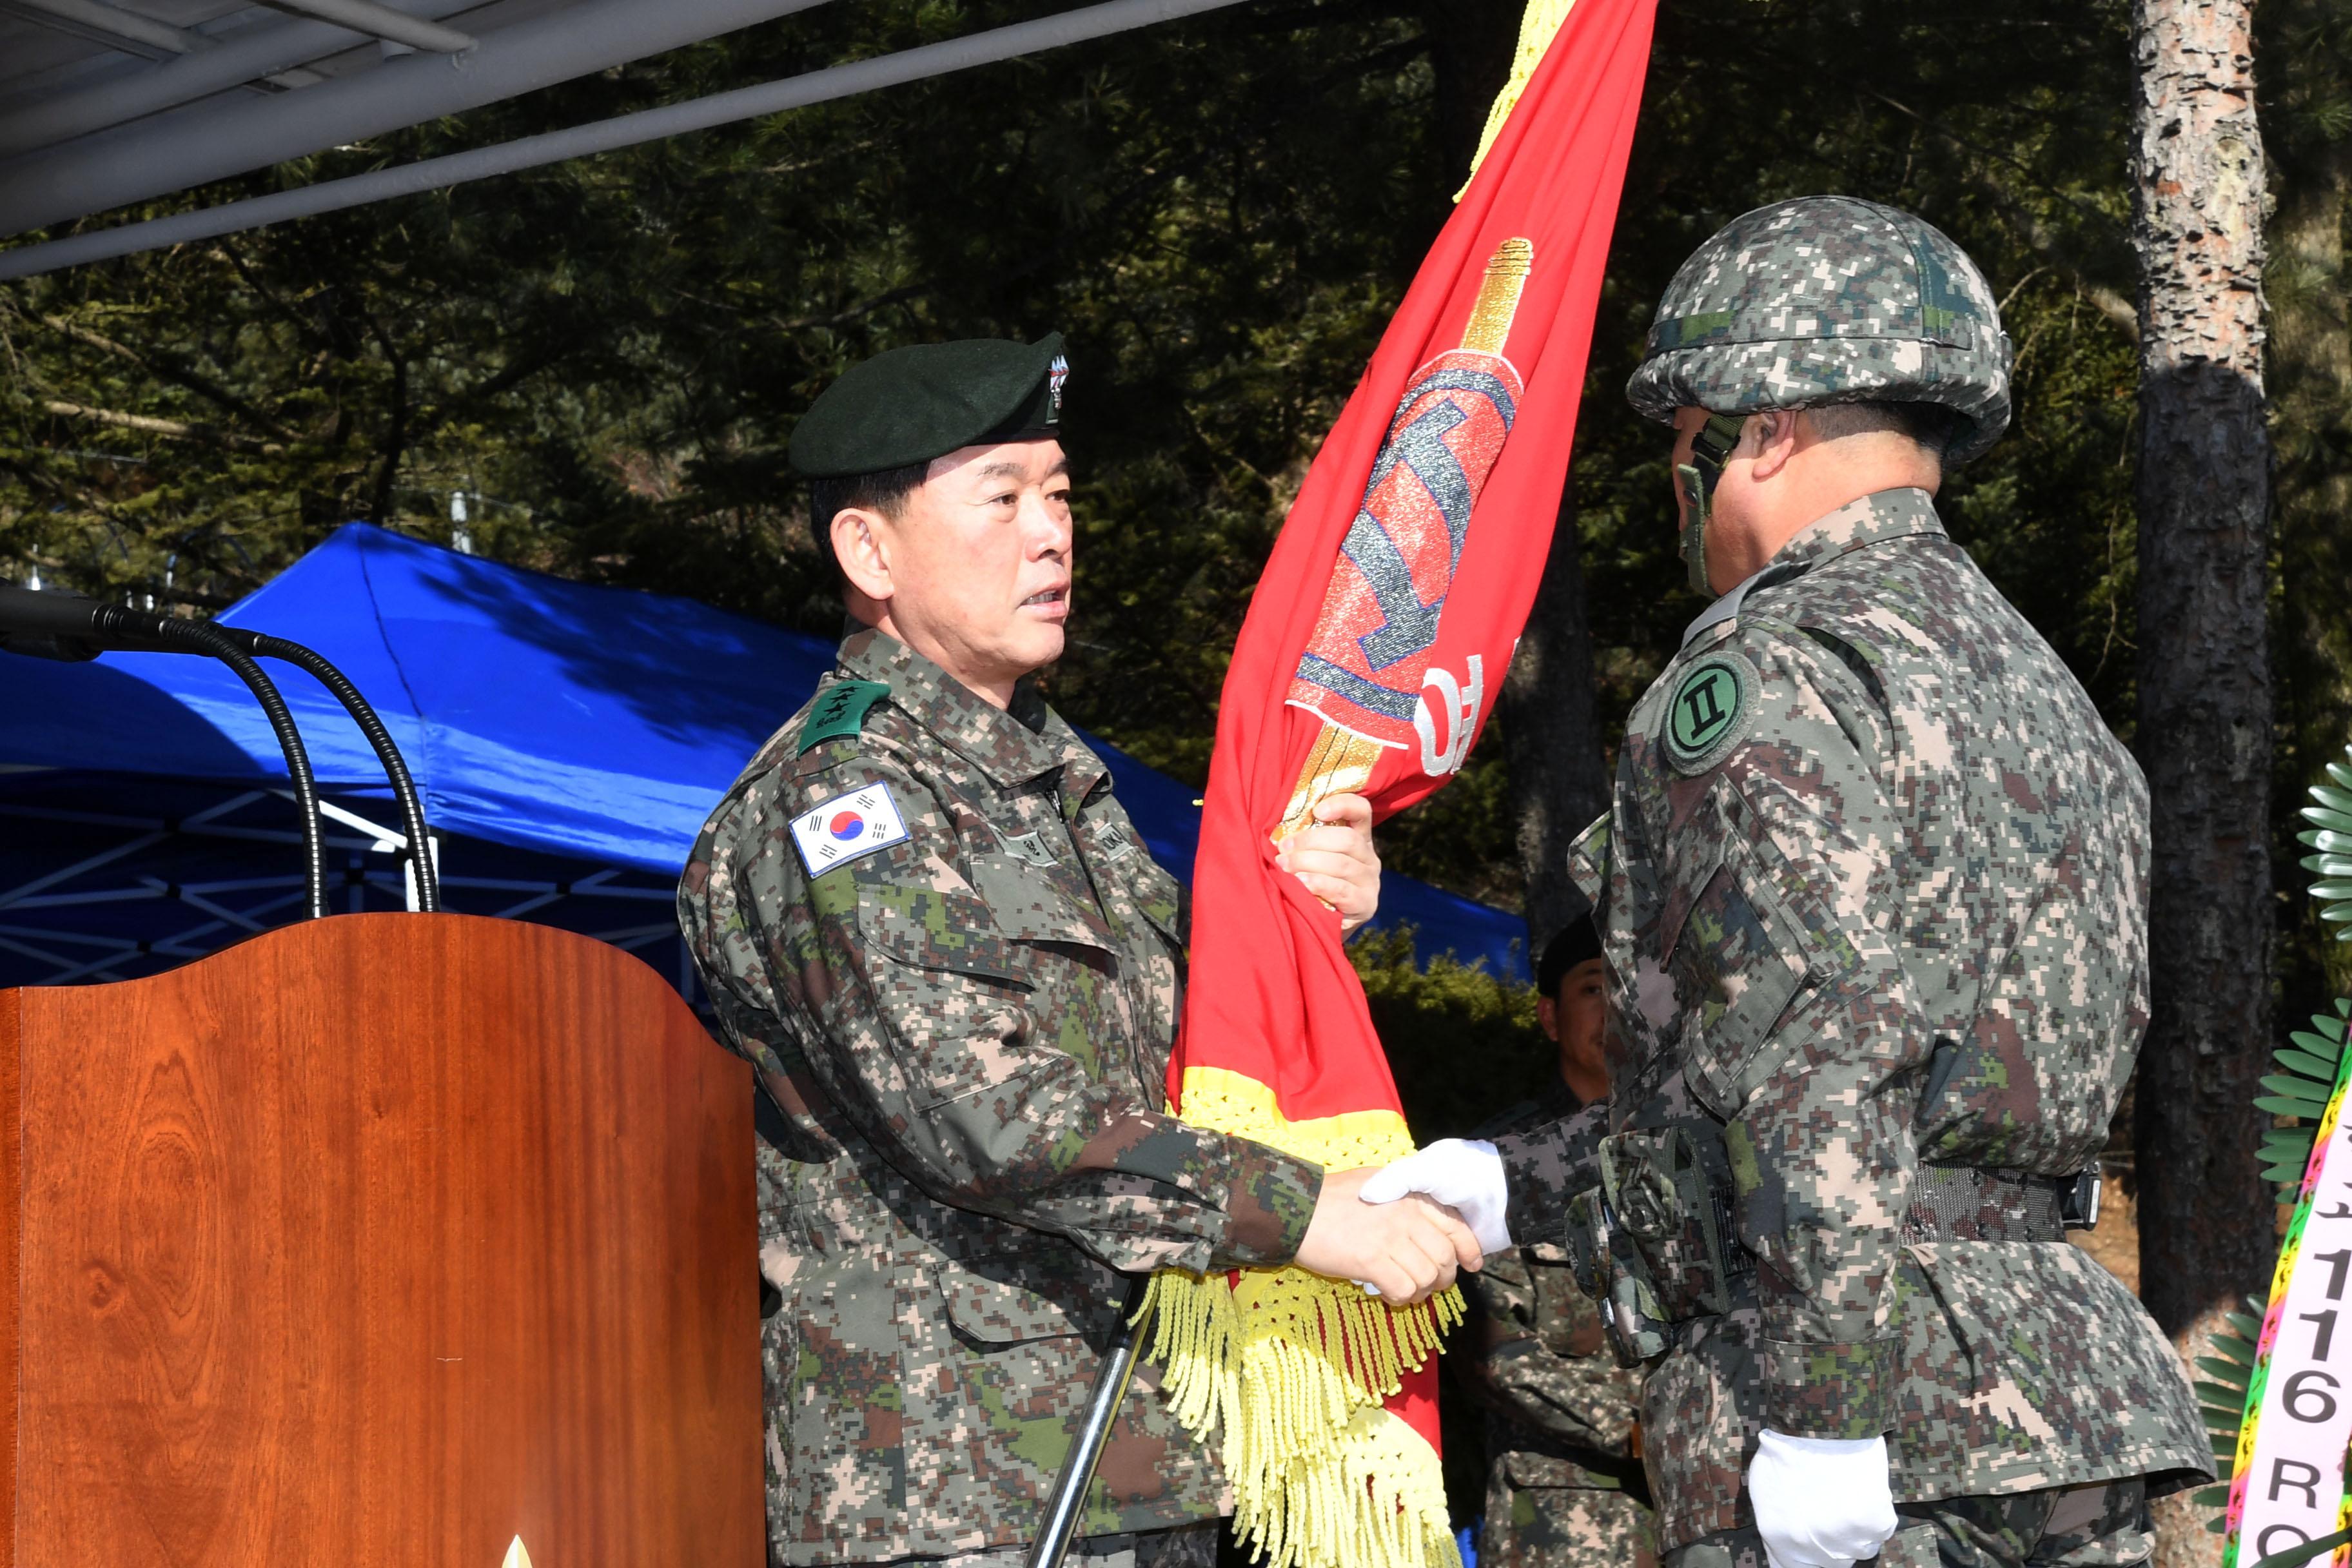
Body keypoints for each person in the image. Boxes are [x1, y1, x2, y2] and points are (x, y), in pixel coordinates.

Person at [1366, 198, 2208, 1568]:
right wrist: (1492, 1179)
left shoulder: (1767, 670)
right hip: (2053, 1392)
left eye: (1686, 437)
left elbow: (1816, 1074)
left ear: (1764, 428)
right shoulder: (2043, 689)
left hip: (1858, 1411)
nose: (1680, 474)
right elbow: (1892, 1089)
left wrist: (1821, 1422)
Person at [675, 333, 1483, 1568]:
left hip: (1131, 1448)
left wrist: (1306, 925)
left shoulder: (1051, 780)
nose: (1051, 533)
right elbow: (989, 1114)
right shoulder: (843, 802)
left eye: (1058, 495)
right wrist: (1297, 1210)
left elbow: (1183, 1052)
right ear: (868, 550)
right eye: (1000, 496)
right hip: (949, 1489)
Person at [1456, 916, 1656, 1568]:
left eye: (1634, 988)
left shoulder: (1704, 1147)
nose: (1618, 1008)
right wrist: (1637, 1429)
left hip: (1719, 1506)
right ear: (1549, 1016)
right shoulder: (1495, 1165)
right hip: (1569, 1516)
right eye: (1595, 988)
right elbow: (1490, 1350)